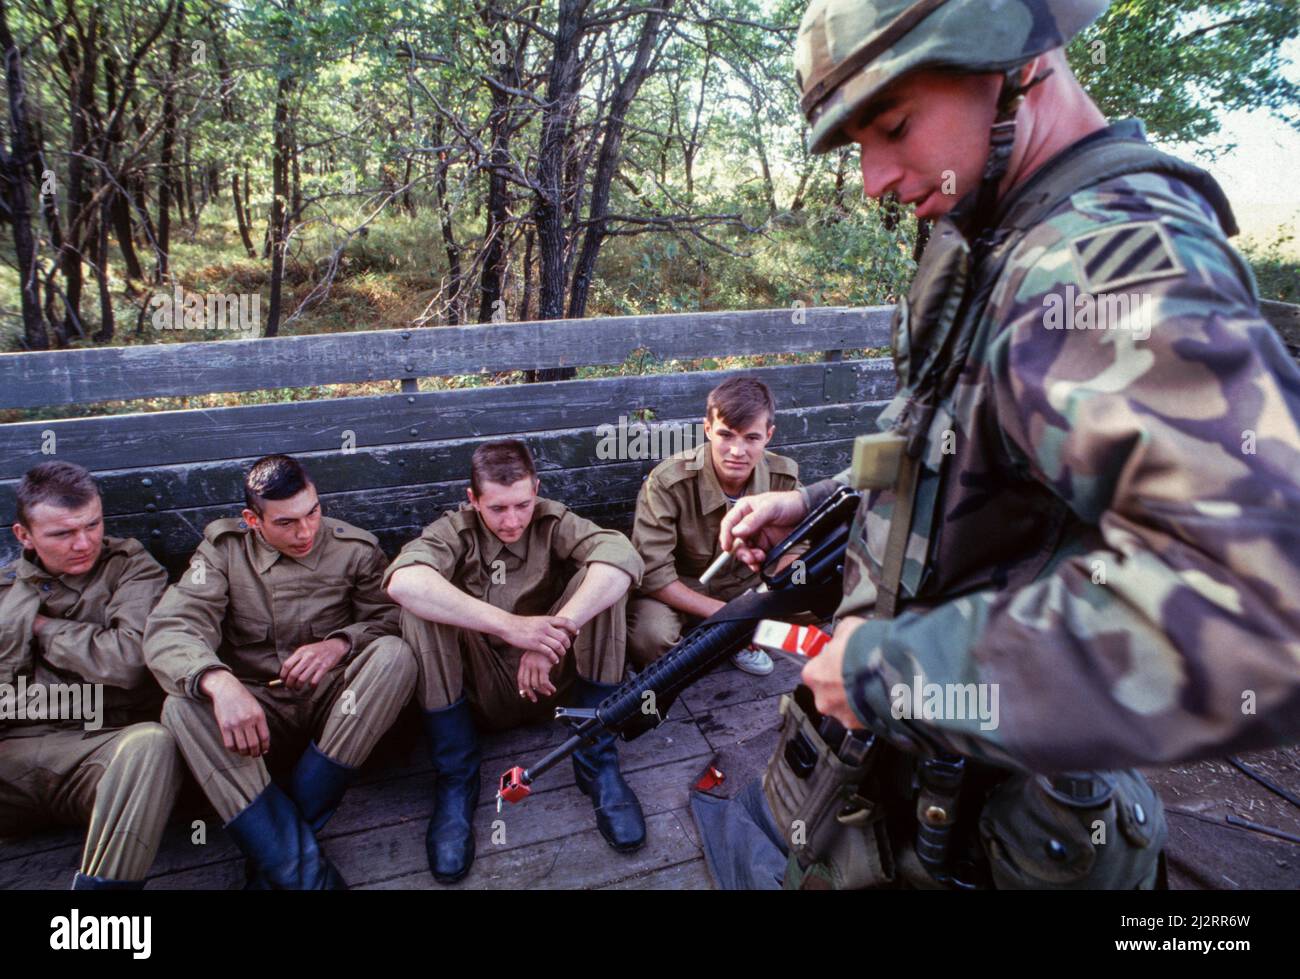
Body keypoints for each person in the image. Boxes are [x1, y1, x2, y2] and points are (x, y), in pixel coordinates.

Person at [716, 0, 1300, 888]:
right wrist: (817, 497)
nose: (873, 176)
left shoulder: (1104, 263)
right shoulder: (1002, 235)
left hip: (1003, 817)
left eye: (895, 125)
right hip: (922, 784)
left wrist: (889, 676)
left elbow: (1264, 612)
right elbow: (935, 439)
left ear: (1017, 67)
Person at [144, 454, 417, 889]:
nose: (306, 531)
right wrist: (218, 681)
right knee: (180, 705)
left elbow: (391, 620)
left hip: (337, 714)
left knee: (394, 655)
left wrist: (339, 644)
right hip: (255, 718)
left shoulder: (355, 549)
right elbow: (171, 628)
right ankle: (305, 873)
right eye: (286, 523)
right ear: (252, 519)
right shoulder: (222, 553)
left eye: (313, 513)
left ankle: (277, 849)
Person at [385, 439, 645, 883]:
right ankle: (456, 779)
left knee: (603, 580)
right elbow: (404, 581)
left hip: (553, 681)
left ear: (537, 490)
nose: (512, 521)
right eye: (497, 508)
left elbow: (622, 556)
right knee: (420, 607)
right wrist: (509, 626)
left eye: (523, 505)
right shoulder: (455, 530)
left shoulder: (551, 519)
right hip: (480, 689)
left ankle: (596, 760)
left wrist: (548, 637)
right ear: (472, 500)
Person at [0, 461, 181, 889]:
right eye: (62, 533)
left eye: (93, 525)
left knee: (153, 743)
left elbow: (127, 662)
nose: (84, 543)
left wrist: (41, 628)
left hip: (97, 753)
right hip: (12, 758)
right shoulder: (5, 590)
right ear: (23, 535)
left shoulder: (133, 569)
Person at [627, 377, 800, 676]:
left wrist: (773, 593)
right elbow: (654, 574)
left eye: (751, 438)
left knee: (816, 599)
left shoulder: (782, 478)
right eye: (726, 435)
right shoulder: (668, 482)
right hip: (682, 589)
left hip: (748, 588)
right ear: (707, 429)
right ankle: (727, 638)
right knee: (651, 638)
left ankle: (729, 639)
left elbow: (799, 542)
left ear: (769, 435)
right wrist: (729, 616)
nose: (737, 451)